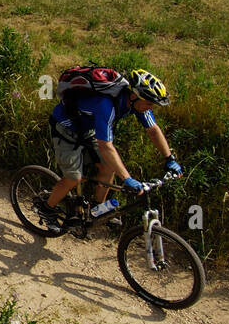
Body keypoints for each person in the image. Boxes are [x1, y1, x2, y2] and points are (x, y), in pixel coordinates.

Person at [38, 69, 183, 225]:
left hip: (88, 128)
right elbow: (106, 146)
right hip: (66, 128)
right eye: (149, 103)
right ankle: (46, 208)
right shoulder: (106, 106)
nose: (151, 108)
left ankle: (96, 209)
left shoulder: (137, 104)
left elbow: (153, 130)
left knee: (108, 167)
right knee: (74, 177)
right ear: (134, 96)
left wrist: (169, 158)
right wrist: (127, 179)